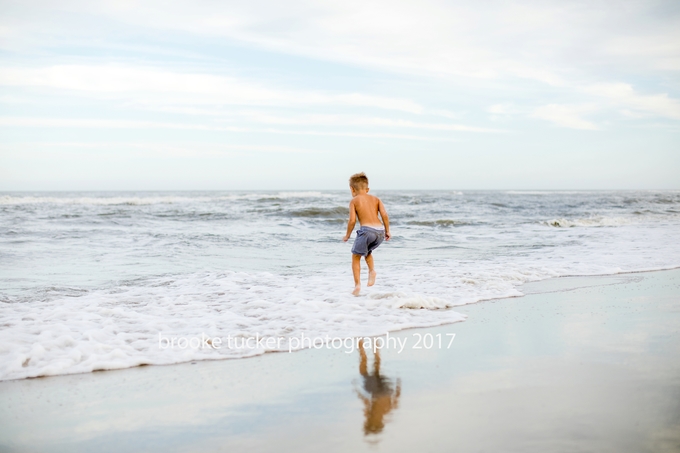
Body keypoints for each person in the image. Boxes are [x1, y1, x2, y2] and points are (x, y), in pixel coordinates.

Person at [342, 172, 391, 296]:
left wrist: (347, 235)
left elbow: (352, 220)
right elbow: (384, 215)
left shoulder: (354, 201)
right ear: (367, 189)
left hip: (367, 231)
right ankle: (372, 271)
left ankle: (357, 285)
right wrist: (387, 230)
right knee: (367, 251)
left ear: (352, 189)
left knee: (355, 256)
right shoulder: (376, 199)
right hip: (379, 232)